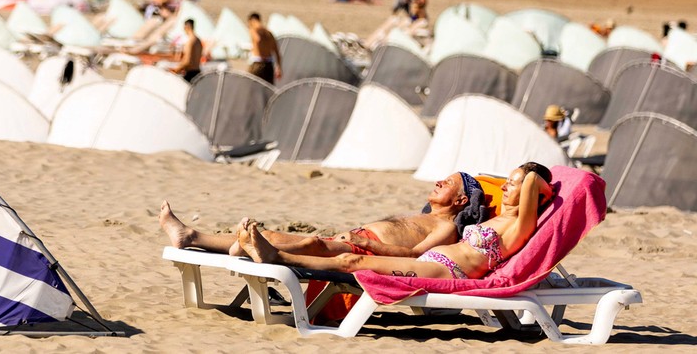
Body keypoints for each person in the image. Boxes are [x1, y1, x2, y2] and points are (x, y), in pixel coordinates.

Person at [236, 163, 555, 280]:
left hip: (448, 270)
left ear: (535, 196)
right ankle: (270, 253)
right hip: (435, 259)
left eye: (512, 184)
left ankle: (277, 257)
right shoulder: (502, 219)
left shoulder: (519, 226)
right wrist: (521, 177)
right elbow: (528, 184)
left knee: (351, 261)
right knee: (348, 258)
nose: (504, 187)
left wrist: (532, 177)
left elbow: (535, 184)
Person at [160, 172, 484, 259]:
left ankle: (194, 237)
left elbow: (412, 255)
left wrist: (364, 243)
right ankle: (191, 237)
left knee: (272, 237)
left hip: (361, 251)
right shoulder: (427, 216)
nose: (439, 181)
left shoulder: (447, 229)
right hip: (356, 241)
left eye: (448, 183)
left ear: (461, 199)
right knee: (271, 238)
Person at [247, 13, 281, 84]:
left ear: (250, 21)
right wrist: (279, 67)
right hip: (269, 65)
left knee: (250, 87)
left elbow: (258, 39)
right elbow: (277, 52)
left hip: (257, 64)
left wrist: (253, 26)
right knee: (267, 91)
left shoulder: (253, 30)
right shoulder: (269, 33)